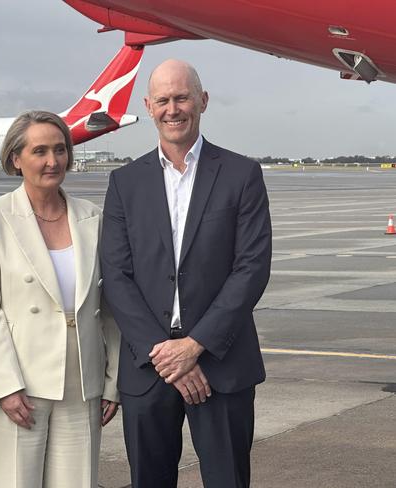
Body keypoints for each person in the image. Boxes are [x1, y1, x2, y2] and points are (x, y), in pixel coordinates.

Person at [100, 60, 272, 488]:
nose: (172, 109)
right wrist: (165, 353)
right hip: (149, 365)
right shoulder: (125, 181)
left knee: (227, 479)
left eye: (182, 97)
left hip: (221, 362)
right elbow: (116, 275)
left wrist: (195, 346)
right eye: (163, 100)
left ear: (203, 101)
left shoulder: (241, 175)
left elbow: (251, 268)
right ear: (149, 106)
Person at [0, 110, 120, 488]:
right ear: (16, 158)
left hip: (82, 381)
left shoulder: (91, 216)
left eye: (60, 150)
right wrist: (5, 385)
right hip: (18, 383)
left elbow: (110, 308)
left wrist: (112, 381)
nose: (53, 161)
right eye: (40, 151)